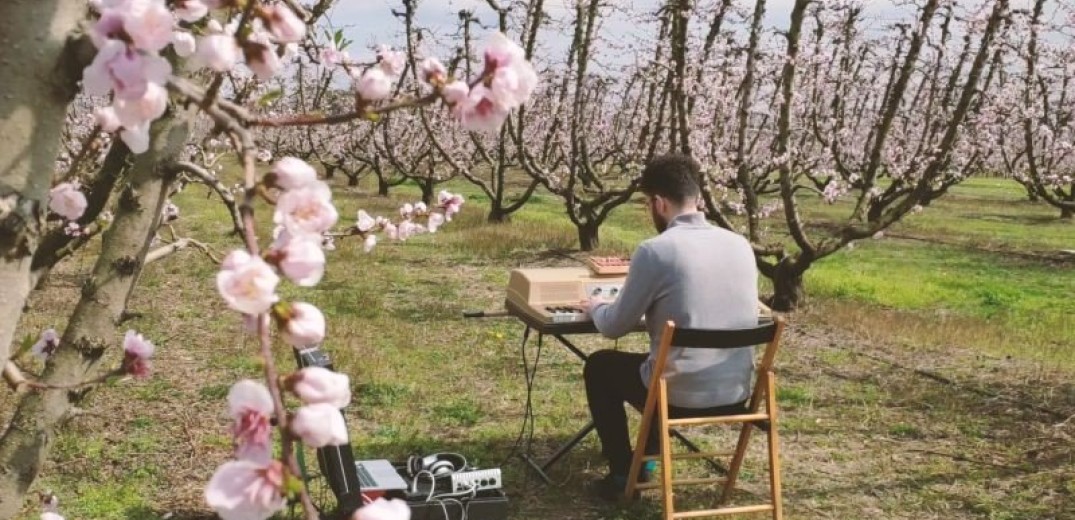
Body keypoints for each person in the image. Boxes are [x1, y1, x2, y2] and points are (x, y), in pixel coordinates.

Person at [579, 153, 760, 501]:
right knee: (661, 363)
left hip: (679, 396)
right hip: (737, 392)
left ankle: (622, 473)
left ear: (659, 203)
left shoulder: (656, 250)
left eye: (649, 204)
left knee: (602, 366)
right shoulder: (740, 245)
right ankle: (645, 462)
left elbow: (615, 327)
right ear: (697, 198)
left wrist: (597, 307)